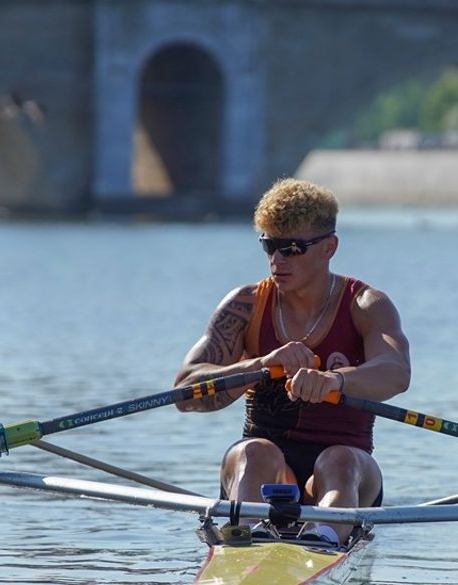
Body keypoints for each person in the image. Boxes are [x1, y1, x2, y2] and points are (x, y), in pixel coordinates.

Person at [175, 178, 411, 545]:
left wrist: (336, 382)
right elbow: (185, 392)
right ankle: (247, 537)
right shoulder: (246, 304)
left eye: (293, 248)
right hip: (264, 471)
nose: (277, 260)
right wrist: (259, 366)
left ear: (328, 247)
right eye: (269, 245)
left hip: (346, 471)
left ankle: (324, 537)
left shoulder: (365, 305)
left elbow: (396, 373)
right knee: (255, 452)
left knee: (339, 461)